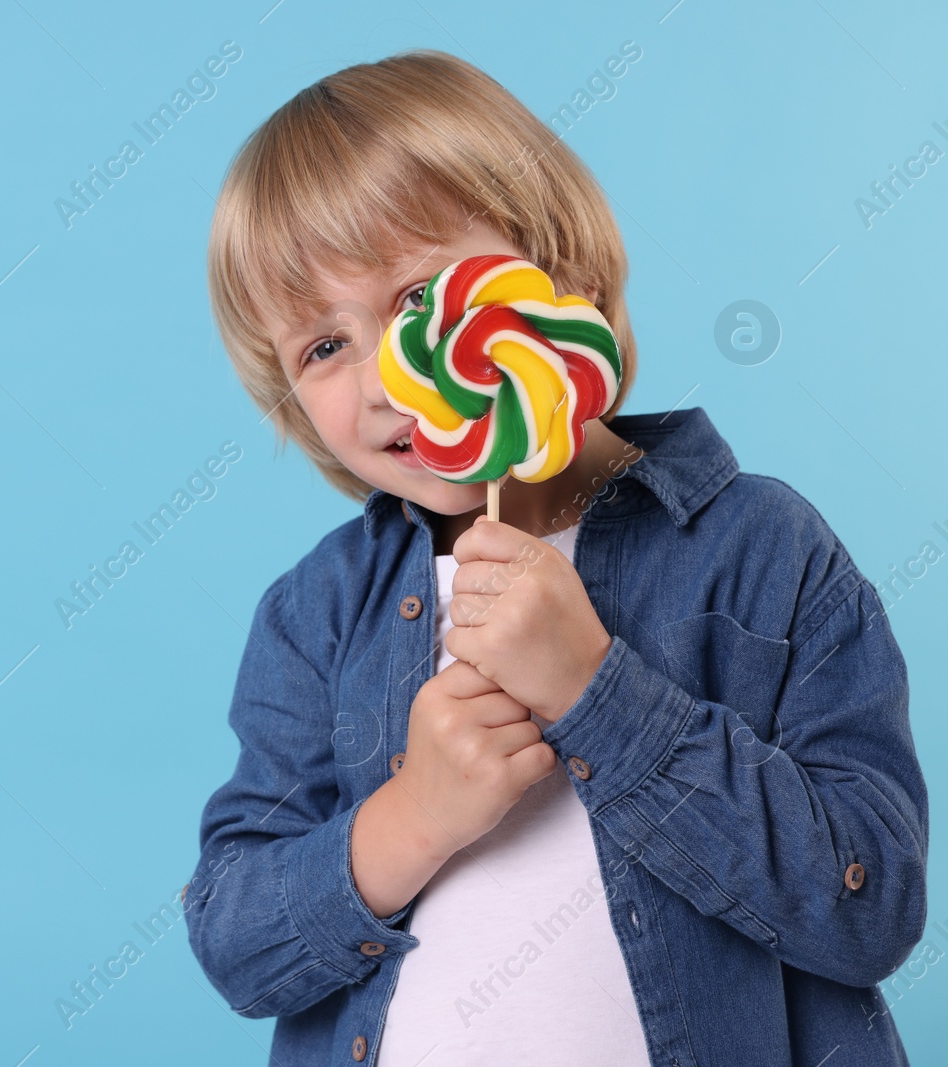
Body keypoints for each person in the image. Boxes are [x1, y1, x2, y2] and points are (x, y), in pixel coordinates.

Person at [182, 49, 928, 1066]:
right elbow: (234, 940)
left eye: (413, 304)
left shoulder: (758, 547)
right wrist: (412, 817)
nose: (385, 382)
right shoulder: (313, 615)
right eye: (320, 346)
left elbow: (869, 901)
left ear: (558, 276)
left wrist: (597, 690)